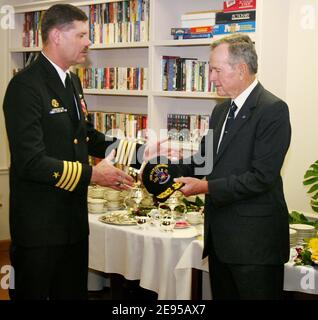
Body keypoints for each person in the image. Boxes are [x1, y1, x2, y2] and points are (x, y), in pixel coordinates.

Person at [3, 4, 162, 300]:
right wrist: (92, 175)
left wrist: (141, 151)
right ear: (57, 36)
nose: (89, 41)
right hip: (39, 227)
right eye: (82, 34)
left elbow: (87, 136)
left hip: (73, 223)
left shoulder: (72, 81)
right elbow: (31, 162)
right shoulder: (25, 86)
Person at [174, 34, 291, 299]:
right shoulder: (220, 111)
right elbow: (204, 160)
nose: (211, 78)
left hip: (255, 247)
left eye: (216, 70)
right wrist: (163, 170)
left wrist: (205, 187)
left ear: (240, 69)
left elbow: (262, 177)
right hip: (221, 242)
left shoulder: (272, 110)